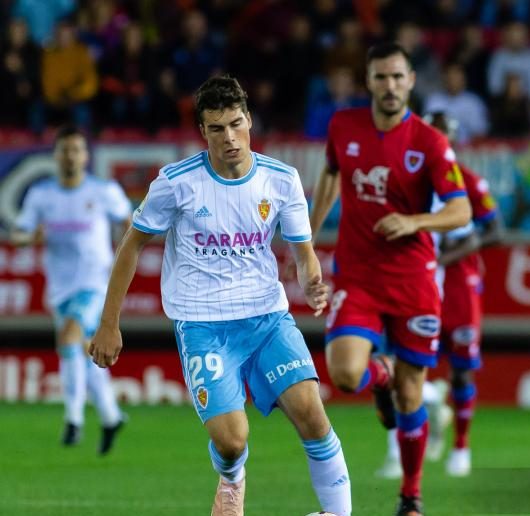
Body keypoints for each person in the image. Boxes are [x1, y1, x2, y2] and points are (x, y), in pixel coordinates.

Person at [88, 75, 352, 516]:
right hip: (203, 324)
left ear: (249, 120)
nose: (229, 137)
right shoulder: (176, 184)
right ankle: (232, 477)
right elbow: (131, 244)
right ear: (203, 132)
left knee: (312, 414)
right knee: (231, 441)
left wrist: (311, 280)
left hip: (267, 317)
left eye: (235, 124)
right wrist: (109, 322)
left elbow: (303, 252)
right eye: (216, 128)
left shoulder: (282, 180)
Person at [309, 42, 472, 516]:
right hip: (358, 275)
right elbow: (331, 176)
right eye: (381, 77)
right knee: (342, 373)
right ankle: (377, 376)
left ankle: (411, 496)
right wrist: (308, 238)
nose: (390, 86)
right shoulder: (344, 126)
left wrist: (414, 221)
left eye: (398, 77)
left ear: (411, 81)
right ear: (369, 82)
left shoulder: (429, 142)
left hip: (413, 282)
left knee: (411, 392)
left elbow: (460, 210)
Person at [376, 112, 504, 479]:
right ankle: (408, 441)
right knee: (402, 367)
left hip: (458, 288)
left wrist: (444, 256)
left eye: (443, 136)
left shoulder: (467, 182)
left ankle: (461, 447)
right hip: (414, 285)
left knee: (462, 371)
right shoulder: (404, 181)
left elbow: (496, 230)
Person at [11, 125, 128, 455]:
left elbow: (130, 224)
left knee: (69, 336)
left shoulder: (103, 191)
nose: (70, 156)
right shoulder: (41, 195)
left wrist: (124, 255)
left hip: (95, 282)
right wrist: (28, 238)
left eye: (76, 150)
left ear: (86, 156)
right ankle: (110, 415)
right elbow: (19, 232)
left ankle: (73, 419)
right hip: (60, 288)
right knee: (83, 348)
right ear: (56, 156)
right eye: (64, 150)